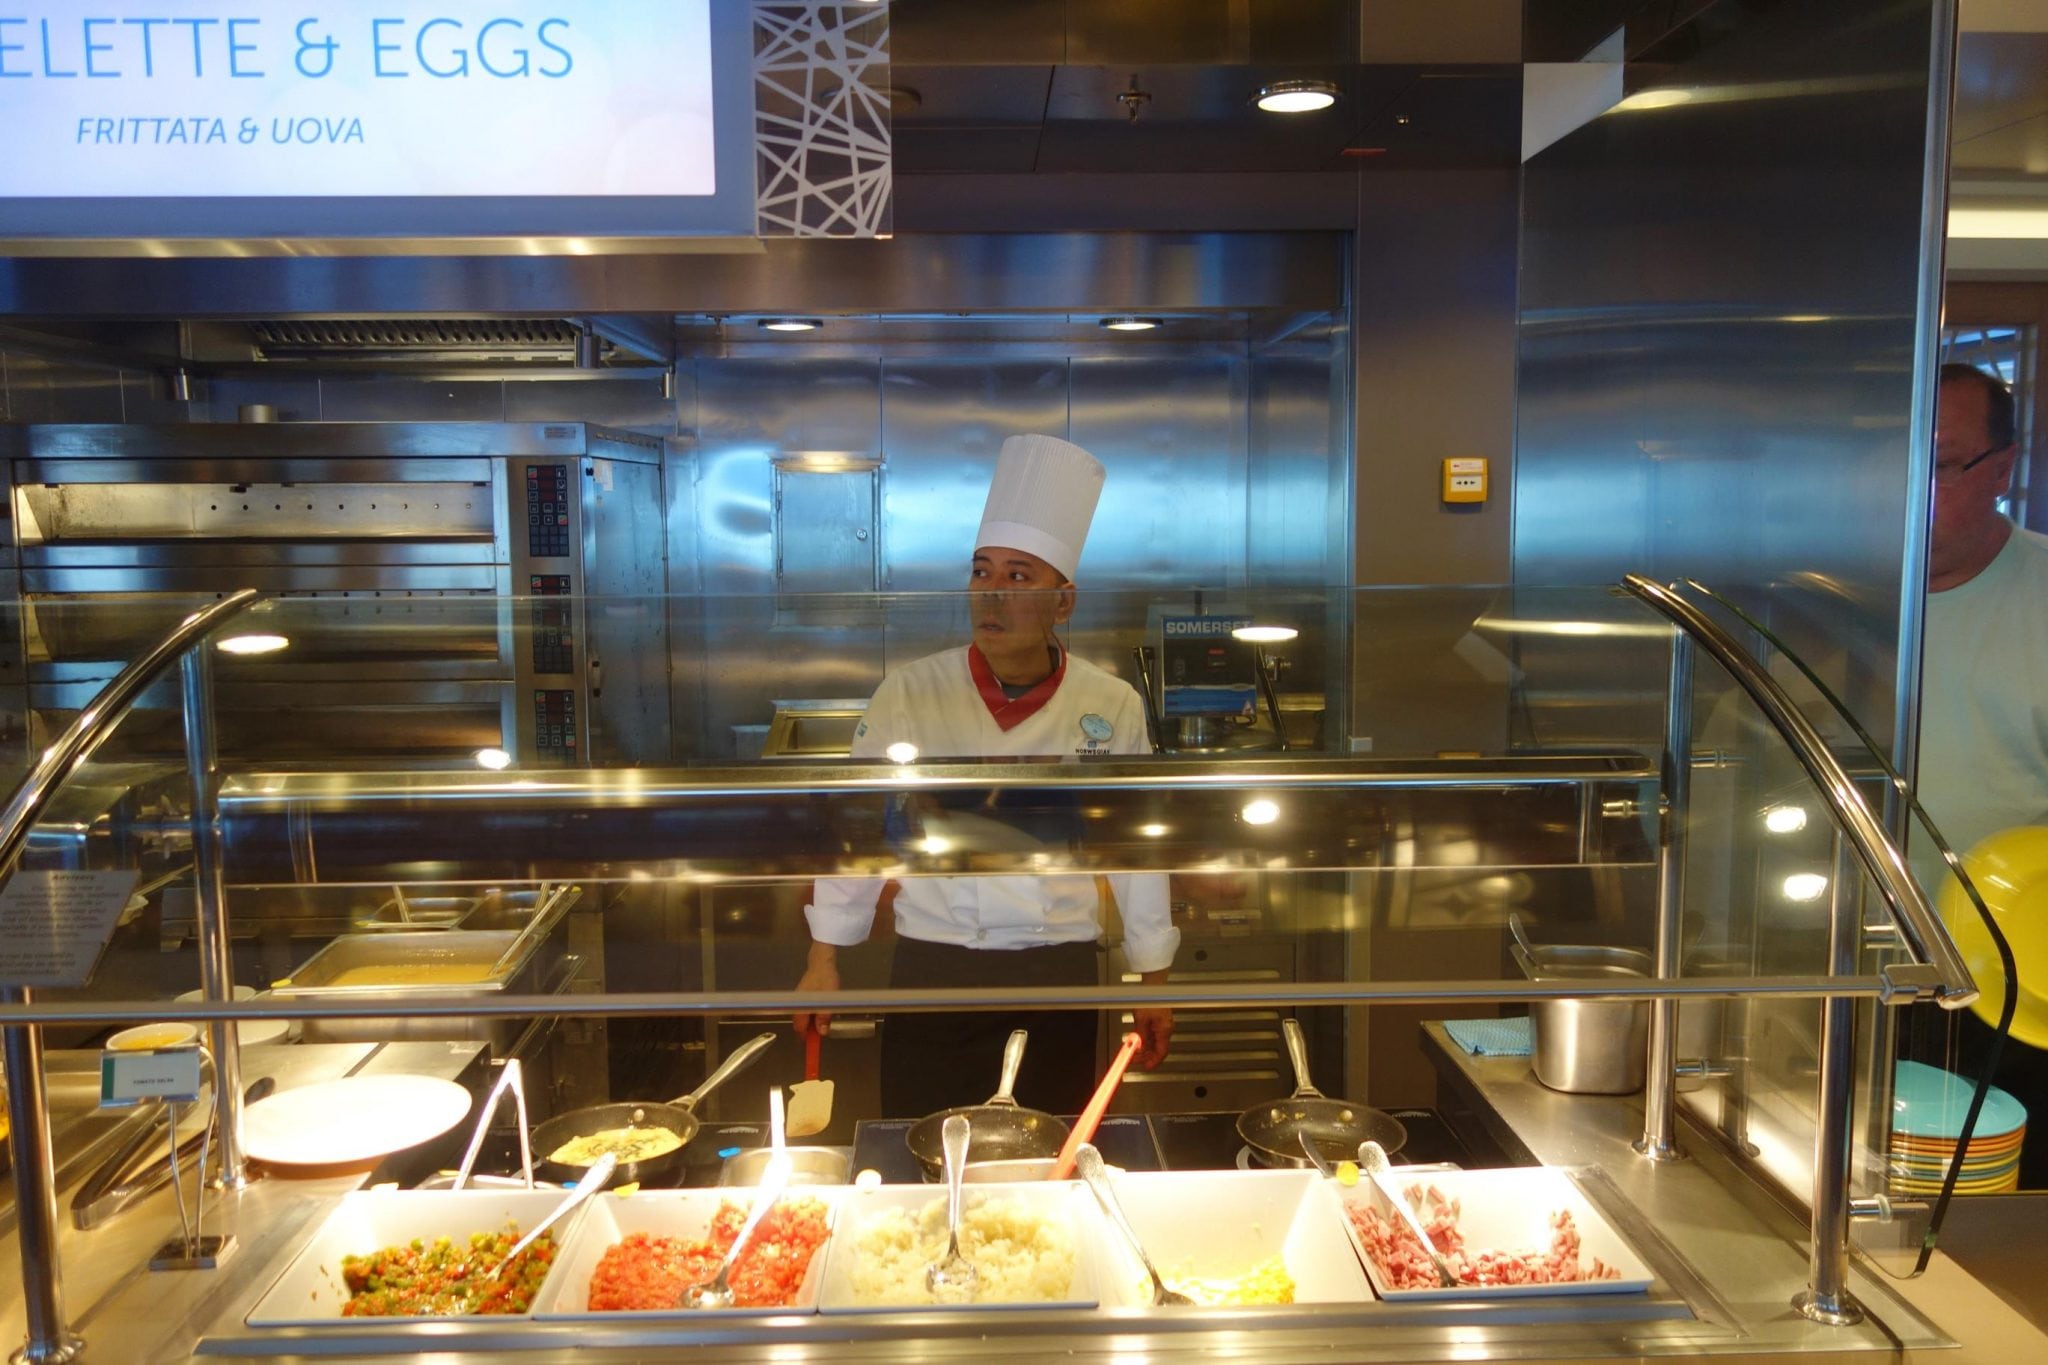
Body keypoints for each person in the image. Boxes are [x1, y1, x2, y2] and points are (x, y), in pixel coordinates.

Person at [791, 434, 1179, 1118]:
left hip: (1058, 968)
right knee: (922, 1144)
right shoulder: (909, 692)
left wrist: (1154, 976)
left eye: (1019, 576)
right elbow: (859, 830)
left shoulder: (1111, 702)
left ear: (1064, 602)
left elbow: (1135, 849)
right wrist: (824, 957)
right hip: (935, 965)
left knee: (1047, 1157)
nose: (991, 594)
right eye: (981, 572)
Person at [1915, 361, 2048, 1186]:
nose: (1909, 490)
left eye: (1937, 464)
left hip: (2016, 996)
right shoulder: (1829, 592)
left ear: (2002, 470)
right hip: (1848, 979)